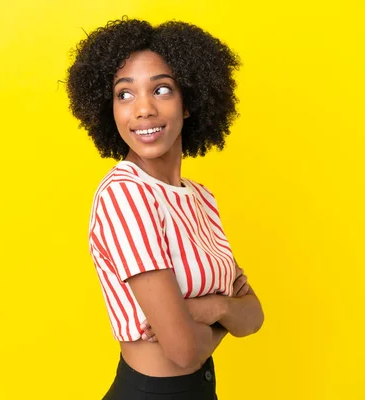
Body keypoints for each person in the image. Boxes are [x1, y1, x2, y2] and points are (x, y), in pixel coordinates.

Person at [66, 18, 264, 399]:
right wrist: (228, 315)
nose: (142, 109)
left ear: (188, 102)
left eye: (161, 90)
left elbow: (255, 317)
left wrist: (212, 307)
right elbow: (183, 351)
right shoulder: (124, 196)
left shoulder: (200, 198)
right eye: (124, 94)